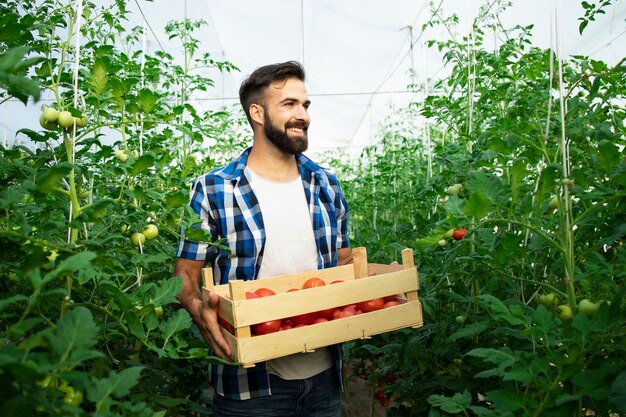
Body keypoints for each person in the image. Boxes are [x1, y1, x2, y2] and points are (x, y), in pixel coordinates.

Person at [174, 61, 397, 417]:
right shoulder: (215, 188)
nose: (303, 115)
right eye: (289, 104)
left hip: (323, 376)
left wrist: (383, 280)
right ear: (257, 113)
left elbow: (340, 263)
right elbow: (184, 273)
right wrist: (197, 309)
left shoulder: (326, 184)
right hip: (249, 385)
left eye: (305, 105)